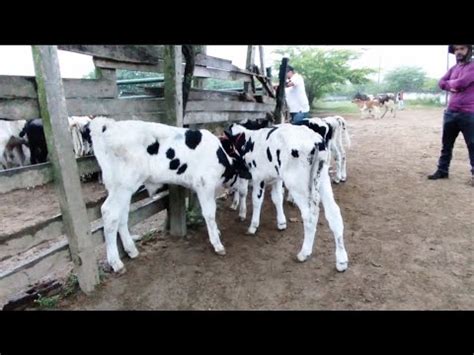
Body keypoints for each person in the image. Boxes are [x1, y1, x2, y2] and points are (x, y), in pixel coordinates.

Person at [428, 45, 474, 186]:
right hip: (450, 112)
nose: (458, 52)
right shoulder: (453, 68)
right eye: (456, 49)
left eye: (462, 48)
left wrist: (450, 84)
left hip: (469, 113)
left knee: (472, 145)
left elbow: (462, 83)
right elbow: (440, 82)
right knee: (446, 144)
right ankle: (442, 170)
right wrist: (451, 85)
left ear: (469, 50)